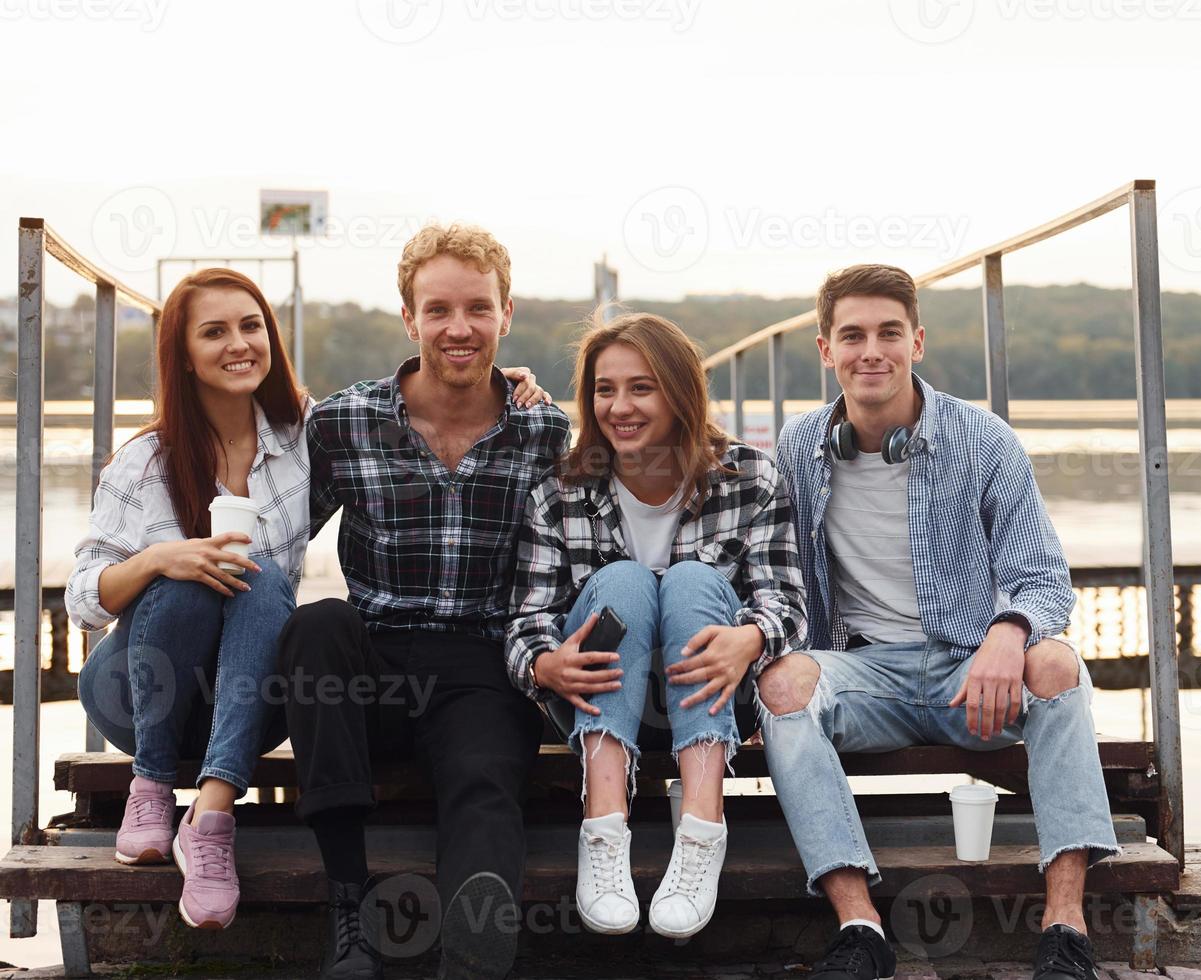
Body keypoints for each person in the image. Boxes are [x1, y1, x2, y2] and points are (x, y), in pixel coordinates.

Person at [758, 265, 1120, 980]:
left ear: (916, 341)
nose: (872, 351)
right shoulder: (796, 449)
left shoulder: (984, 440)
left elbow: (1043, 577)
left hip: (969, 674)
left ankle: (1065, 927)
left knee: (1056, 665)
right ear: (825, 351)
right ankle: (859, 927)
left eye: (889, 333)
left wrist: (1006, 633)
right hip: (863, 675)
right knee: (781, 684)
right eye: (852, 335)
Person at [276, 223, 562, 980]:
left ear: (507, 314)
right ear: (410, 319)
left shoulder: (546, 432)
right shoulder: (344, 422)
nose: (459, 328)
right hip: (368, 662)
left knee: (483, 779)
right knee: (316, 622)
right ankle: (348, 912)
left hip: (482, 665)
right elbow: (274, 544)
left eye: (477, 309)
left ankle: (475, 949)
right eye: (438, 310)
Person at [506, 312, 805, 941]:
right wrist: (542, 663)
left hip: (718, 699)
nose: (620, 407)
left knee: (693, 581)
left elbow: (789, 607)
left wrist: (749, 637)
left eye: (641, 387)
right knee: (626, 583)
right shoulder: (558, 492)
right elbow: (525, 621)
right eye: (604, 389)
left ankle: (700, 831)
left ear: (679, 391)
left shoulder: (751, 478)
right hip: (600, 703)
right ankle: (604, 830)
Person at [67, 267, 307, 931]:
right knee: (188, 581)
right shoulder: (145, 459)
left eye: (251, 325)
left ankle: (210, 818)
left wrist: (506, 387)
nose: (239, 343)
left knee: (257, 579)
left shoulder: (302, 439)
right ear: (186, 355)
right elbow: (83, 600)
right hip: (139, 697)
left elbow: (403, 419)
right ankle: (149, 787)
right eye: (215, 331)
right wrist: (157, 558)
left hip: (247, 706)